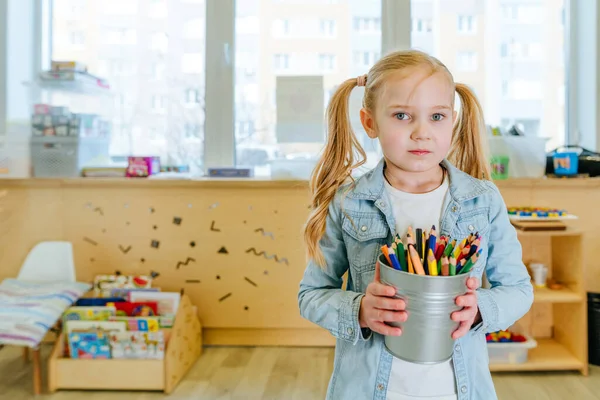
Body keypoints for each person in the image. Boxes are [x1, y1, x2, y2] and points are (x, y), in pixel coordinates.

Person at [297, 49, 533, 400]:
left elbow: (518, 289)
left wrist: (481, 308)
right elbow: (311, 295)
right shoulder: (348, 203)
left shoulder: (482, 200)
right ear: (369, 122)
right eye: (403, 115)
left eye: (437, 116)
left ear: (452, 120)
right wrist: (359, 309)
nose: (422, 133)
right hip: (368, 389)